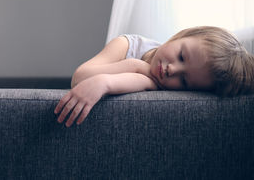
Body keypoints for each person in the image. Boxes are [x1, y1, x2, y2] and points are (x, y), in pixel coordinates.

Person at [54, 26, 254, 127]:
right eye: (181, 56)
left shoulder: (165, 89)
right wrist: (135, 66)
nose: (172, 70)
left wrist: (135, 80)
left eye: (184, 81)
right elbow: (79, 79)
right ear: (182, 35)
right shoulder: (127, 45)